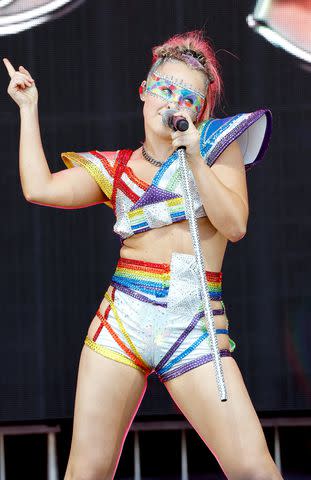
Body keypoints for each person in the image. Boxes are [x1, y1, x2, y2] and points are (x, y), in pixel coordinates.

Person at [3, 29, 282, 480]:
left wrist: (193, 159)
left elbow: (235, 225)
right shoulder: (116, 169)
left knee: (254, 469)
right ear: (144, 91)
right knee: (87, 470)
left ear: (202, 111)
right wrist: (29, 109)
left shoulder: (217, 147)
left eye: (188, 97)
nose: (173, 101)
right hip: (123, 321)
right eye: (164, 88)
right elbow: (39, 188)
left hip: (193, 325)